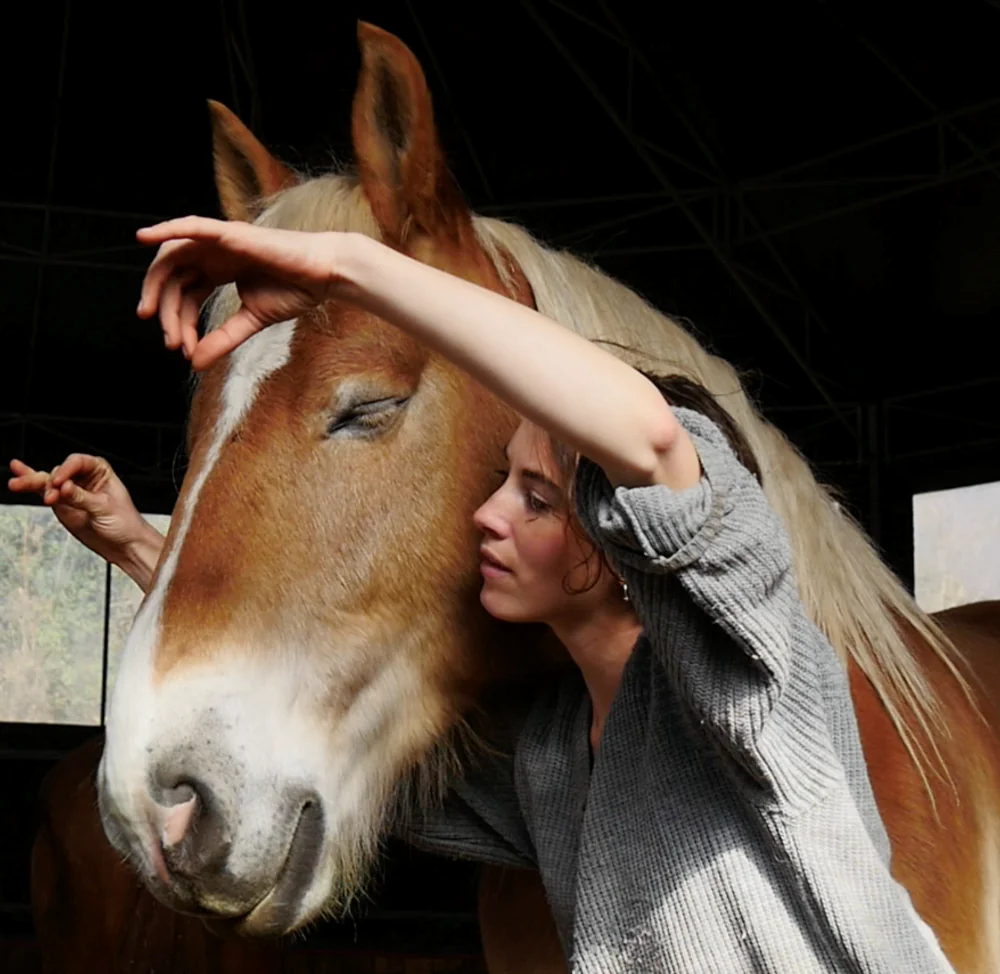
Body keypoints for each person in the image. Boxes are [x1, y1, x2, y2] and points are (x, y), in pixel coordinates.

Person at [9, 218, 955, 974]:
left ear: (622, 535)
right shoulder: (556, 757)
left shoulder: (764, 681)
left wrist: (350, 264)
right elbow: (340, 724)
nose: (487, 517)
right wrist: (139, 547)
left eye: (534, 498)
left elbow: (660, 445)